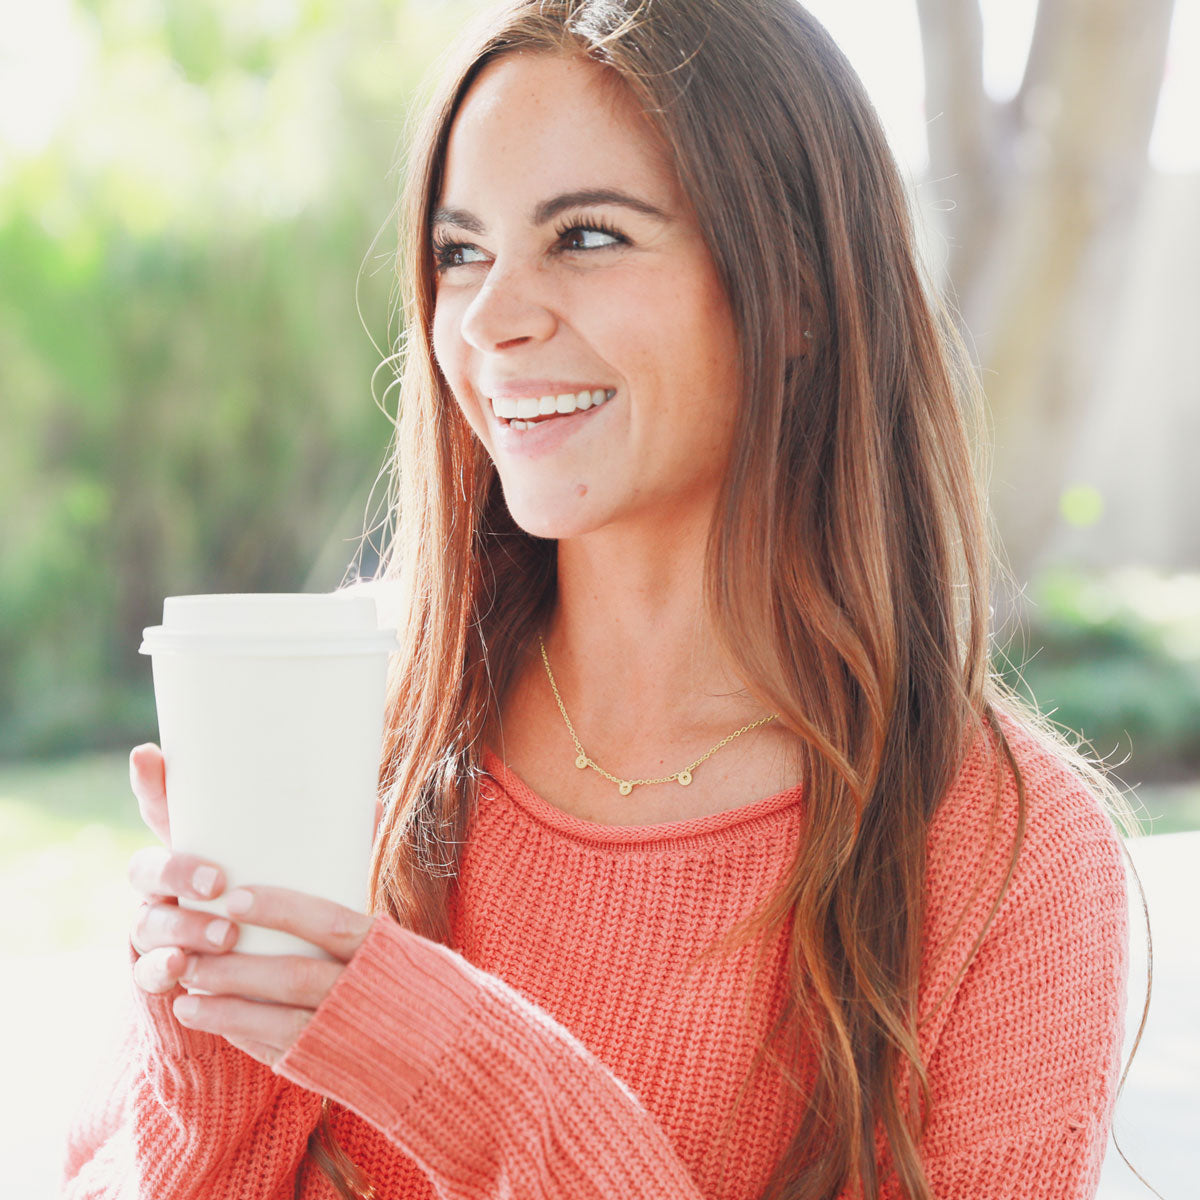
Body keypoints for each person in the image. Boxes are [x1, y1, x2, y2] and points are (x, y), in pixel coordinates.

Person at [62, 1, 1144, 1198]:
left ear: (794, 292)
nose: (489, 318)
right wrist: (203, 1059)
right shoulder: (346, 708)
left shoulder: (1006, 852)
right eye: (461, 250)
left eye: (586, 237)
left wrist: (459, 1064)